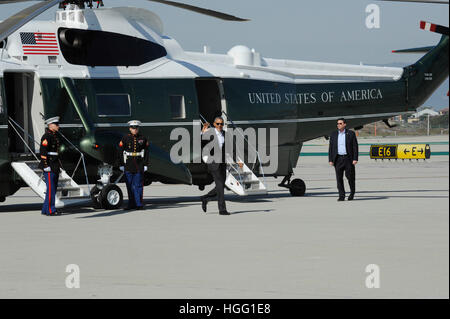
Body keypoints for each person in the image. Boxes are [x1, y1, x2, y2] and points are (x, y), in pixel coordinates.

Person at [200, 116, 230, 215]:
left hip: (222, 162)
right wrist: (203, 132)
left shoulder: (225, 134)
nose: (220, 126)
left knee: (222, 184)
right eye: (218, 124)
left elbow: (229, 148)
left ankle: (205, 198)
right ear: (214, 124)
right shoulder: (210, 133)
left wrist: (237, 160)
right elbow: (201, 141)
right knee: (220, 186)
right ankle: (222, 209)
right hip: (213, 162)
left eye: (221, 124)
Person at [118, 120, 150, 210]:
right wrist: (121, 164)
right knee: (129, 185)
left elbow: (147, 152)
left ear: (138, 129)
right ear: (129, 129)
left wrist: (145, 164)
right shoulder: (125, 138)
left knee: (138, 185)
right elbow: (120, 151)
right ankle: (131, 204)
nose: (134, 130)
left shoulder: (143, 138)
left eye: (136, 128)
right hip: (128, 164)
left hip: (139, 164)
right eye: (132, 128)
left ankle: (139, 204)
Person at [328, 118, 358, 201]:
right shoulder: (333, 134)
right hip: (338, 159)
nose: (338, 125)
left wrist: (355, 158)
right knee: (339, 178)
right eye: (337, 123)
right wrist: (330, 159)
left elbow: (355, 147)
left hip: (348, 159)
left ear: (345, 124)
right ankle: (341, 195)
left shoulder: (350, 133)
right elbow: (331, 148)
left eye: (340, 123)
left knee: (350, 177)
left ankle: (352, 193)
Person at [39, 116, 62, 216]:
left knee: (53, 188)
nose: (58, 126)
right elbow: (43, 152)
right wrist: (45, 165)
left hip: (55, 164)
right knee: (51, 188)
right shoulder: (46, 136)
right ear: (50, 125)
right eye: (56, 124)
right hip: (49, 165)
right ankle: (50, 210)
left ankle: (45, 209)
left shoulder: (55, 136)